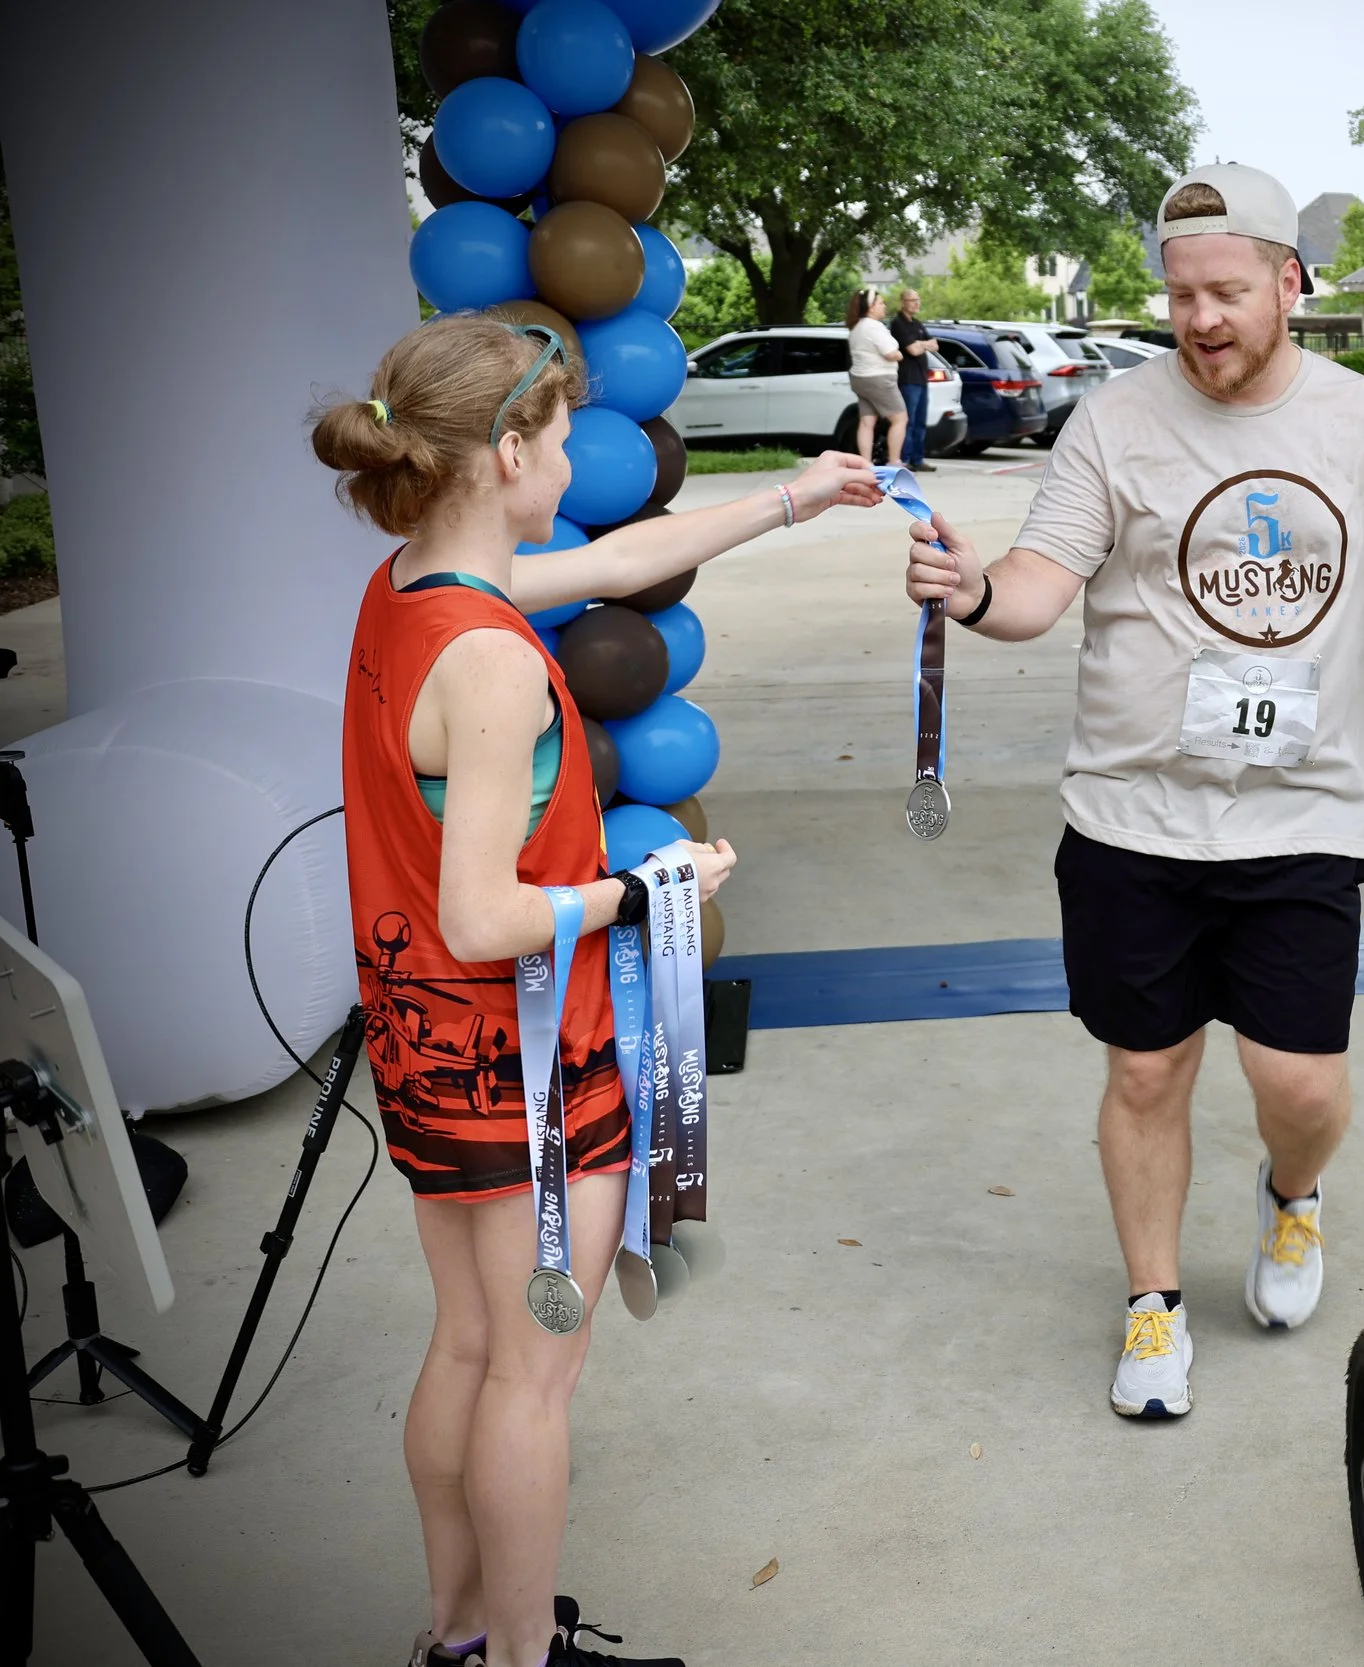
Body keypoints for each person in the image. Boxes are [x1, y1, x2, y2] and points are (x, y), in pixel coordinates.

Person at [900, 163, 1364, 1421]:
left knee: (1297, 1083)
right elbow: (1038, 581)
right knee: (1146, 1072)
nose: (1200, 319)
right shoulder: (1114, 421)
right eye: (1181, 293)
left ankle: (1292, 1200)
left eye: (1228, 292)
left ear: (1289, 281)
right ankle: (1152, 1302)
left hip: (1298, 812)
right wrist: (975, 593)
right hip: (1130, 815)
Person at [312, 313, 880, 1667]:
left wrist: (801, 494)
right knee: (531, 1371)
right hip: (525, 1062)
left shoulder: (410, 589)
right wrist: (651, 885)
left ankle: (455, 1636)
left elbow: (622, 558)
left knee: (467, 1344)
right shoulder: (499, 659)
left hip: (422, 1045)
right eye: (561, 439)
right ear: (509, 450)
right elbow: (486, 912)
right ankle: (521, 1656)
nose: (574, 460)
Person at [844, 288, 907, 466]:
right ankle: (894, 461)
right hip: (879, 378)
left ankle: (865, 463)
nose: (884, 306)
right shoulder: (874, 326)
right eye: (880, 303)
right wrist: (899, 355)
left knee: (866, 421)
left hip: (859, 379)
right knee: (900, 418)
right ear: (871, 308)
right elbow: (889, 353)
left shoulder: (856, 327)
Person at [889, 286, 937, 469]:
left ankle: (918, 459)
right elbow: (912, 350)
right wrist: (922, 345)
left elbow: (934, 345)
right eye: (913, 300)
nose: (917, 304)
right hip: (908, 379)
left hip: (921, 378)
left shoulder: (917, 324)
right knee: (907, 421)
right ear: (903, 303)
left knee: (920, 422)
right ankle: (905, 459)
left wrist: (921, 344)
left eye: (918, 300)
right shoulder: (898, 323)